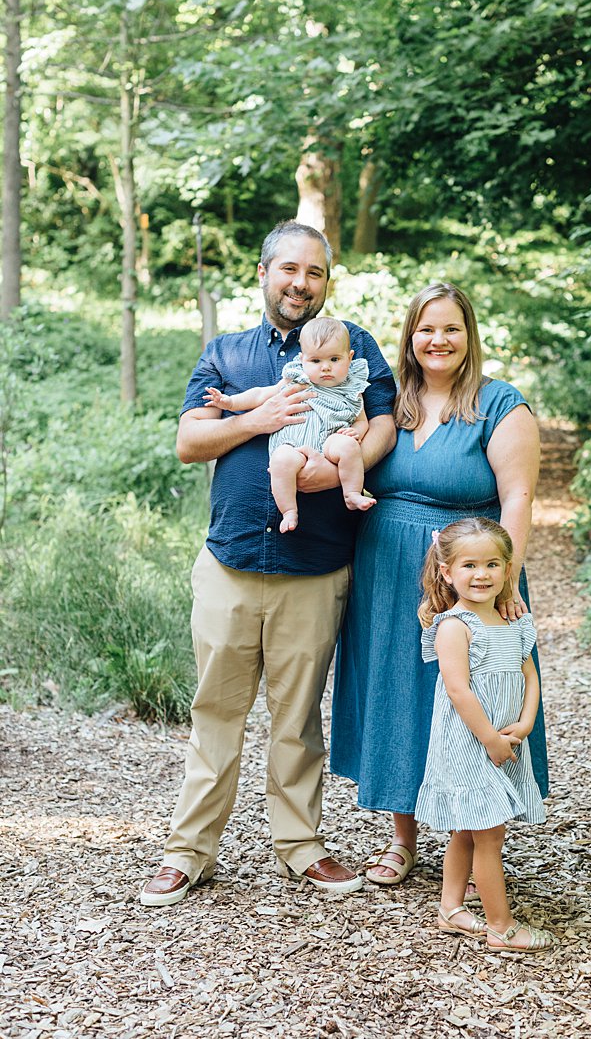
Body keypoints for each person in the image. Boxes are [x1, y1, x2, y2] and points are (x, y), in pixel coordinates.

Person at [139, 220, 398, 906]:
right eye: (289, 270)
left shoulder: (353, 344)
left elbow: (385, 423)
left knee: (298, 717)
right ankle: (188, 853)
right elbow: (191, 440)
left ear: (325, 282)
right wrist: (258, 421)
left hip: (314, 568)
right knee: (215, 713)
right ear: (263, 273)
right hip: (228, 562)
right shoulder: (227, 353)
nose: (300, 284)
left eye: (313, 273)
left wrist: (341, 467)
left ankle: (302, 848)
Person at [331, 281, 547, 890]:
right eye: (426, 328)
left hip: (469, 575)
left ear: (469, 336)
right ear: (410, 337)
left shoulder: (500, 403)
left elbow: (519, 497)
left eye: (451, 328)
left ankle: (471, 834)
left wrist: (502, 585)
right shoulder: (386, 403)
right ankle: (401, 839)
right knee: (398, 692)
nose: (438, 340)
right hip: (386, 571)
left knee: (465, 693)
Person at [415, 517, 553, 952]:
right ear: (447, 572)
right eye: (469, 566)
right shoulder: (455, 626)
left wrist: (527, 721)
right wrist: (491, 739)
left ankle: (451, 908)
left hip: (507, 740)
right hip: (470, 742)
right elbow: (458, 691)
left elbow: (529, 675)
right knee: (488, 834)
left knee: (468, 829)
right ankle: (500, 926)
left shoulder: (513, 621)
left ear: (507, 569)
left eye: (492, 564)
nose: (481, 575)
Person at [204, 316, 377, 533]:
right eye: (316, 361)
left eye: (334, 359)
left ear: (349, 358)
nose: (325, 368)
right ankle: (289, 511)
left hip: (330, 442)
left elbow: (362, 421)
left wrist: (356, 432)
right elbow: (260, 395)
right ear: (303, 359)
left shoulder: (352, 389)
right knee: (281, 461)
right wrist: (230, 401)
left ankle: (351, 493)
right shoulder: (296, 379)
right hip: (293, 443)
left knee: (349, 446)